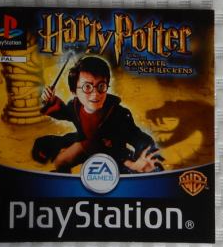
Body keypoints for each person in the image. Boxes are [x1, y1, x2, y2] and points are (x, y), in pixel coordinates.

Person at [32, 56, 163, 174]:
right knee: (61, 162)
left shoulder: (119, 114)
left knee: (126, 173)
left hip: (114, 154)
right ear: (74, 91)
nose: (95, 94)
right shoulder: (75, 106)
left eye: (101, 86)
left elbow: (139, 138)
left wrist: (143, 156)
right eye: (87, 87)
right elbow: (64, 112)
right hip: (86, 145)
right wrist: (51, 101)